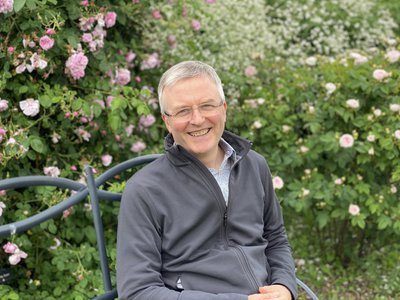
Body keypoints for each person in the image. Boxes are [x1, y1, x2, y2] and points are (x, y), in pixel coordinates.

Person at [117, 61, 297, 300]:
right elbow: (138, 292)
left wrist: (285, 285)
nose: (197, 119)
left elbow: (275, 238)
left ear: (224, 108)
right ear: (166, 120)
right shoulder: (144, 190)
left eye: (207, 105)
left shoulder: (255, 166)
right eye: (182, 111)